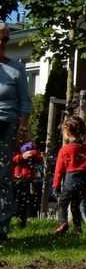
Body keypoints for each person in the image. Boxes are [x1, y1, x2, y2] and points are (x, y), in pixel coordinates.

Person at [0, 22, 32, 242]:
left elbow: (25, 103)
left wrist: (22, 127)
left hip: (6, 125)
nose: (1, 43)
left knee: (2, 177)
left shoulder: (16, 69)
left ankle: (1, 227)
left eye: (4, 39)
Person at [52, 116, 86, 235]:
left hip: (70, 180)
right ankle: (77, 229)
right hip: (84, 181)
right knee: (76, 205)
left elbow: (59, 170)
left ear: (68, 132)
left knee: (63, 203)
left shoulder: (65, 150)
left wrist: (55, 186)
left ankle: (63, 223)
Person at [11, 141, 43, 228]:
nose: (24, 133)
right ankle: (8, 222)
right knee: (12, 202)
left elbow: (40, 159)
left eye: (27, 131)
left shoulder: (32, 146)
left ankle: (22, 224)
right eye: (22, 130)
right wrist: (22, 156)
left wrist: (33, 153)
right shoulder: (12, 145)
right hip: (15, 179)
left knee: (24, 203)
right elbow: (10, 159)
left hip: (27, 179)